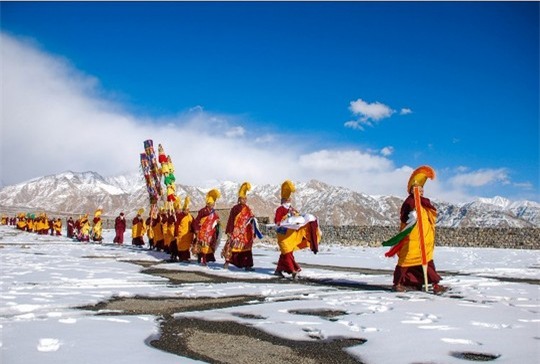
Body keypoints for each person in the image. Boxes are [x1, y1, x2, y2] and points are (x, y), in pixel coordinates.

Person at [384, 165, 446, 293]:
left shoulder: (424, 202)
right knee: (407, 259)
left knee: (427, 260)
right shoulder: (409, 202)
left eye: (422, 188)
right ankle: (398, 283)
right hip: (413, 238)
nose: (421, 191)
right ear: (412, 190)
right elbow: (404, 218)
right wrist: (412, 215)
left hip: (425, 237)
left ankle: (433, 284)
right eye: (417, 188)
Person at [274, 180, 320, 279]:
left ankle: (278, 270)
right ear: (282, 200)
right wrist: (280, 222)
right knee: (287, 252)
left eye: (289, 199)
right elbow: (277, 220)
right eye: (286, 200)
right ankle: (292, 270)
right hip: (283, 235)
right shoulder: (280, 209)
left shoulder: (292, 209)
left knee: (286, 253)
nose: (288, 201)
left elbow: (298, 217)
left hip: (291, 235)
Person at [222, 182, 257, 271]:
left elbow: (251, 218)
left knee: (247, 248)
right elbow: (231, 220)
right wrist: (229, 231)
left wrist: (254, 227)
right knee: (232, 247)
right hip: (236, 232)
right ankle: (227, 262)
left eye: (245, 199)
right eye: (242, 199)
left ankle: (247, 265)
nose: (244, 200)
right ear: (239, 199)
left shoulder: (248, 208)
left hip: (245, 232)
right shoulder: (235, 208)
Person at [192, 189, 221, 266]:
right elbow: (197, 220)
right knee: (203, 246)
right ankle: (202, 259)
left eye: (213, 204)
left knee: (208, 246)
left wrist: (218, 221)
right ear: (207, 204)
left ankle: (207, 259)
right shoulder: (202, 211)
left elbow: (216, 219)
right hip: (203, 231)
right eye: (210, 204)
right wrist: (196, 229)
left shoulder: (214, 212)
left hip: (211, 232)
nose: (212, 206)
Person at [175, 196, 195, 263]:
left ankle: (186, 258)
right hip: (181, 234)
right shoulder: (180, 216)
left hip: (188, 234)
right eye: (186, 210)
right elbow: (177, 225)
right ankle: (181, 258)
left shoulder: (190, 216)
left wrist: (195, 230)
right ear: (183, 210)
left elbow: (194, 223)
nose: (187, 211)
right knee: (181, 246)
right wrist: (176, 233)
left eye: (188, 210)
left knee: (187, 247)